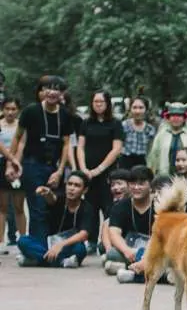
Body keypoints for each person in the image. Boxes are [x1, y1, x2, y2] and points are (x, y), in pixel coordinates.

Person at [8, 75, 73, 239]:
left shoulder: (65, 114)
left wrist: (60, 171)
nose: (52, 92)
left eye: (56, 89)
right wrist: (11, 162)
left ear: (62, 94)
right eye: (48, 88)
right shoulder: (31, 111)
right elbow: (18, 137)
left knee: (55, 205)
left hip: (54, 167)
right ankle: (38, 246)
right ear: (42, 91)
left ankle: (52, 243)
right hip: (33, 165)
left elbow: (66, 144)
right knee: (37, 208)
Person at [15, 170, 93, 268]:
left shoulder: (87, 208)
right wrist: (47, 193)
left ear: (85, 190)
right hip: (49, 244)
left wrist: (61, 245)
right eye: (69, 184)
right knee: (23, 241)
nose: (72, 188)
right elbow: (52, 199)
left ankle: (37, 260)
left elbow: (83, 234)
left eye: (77, 185)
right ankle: (62, 262)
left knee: (80, 249)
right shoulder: (60, 199)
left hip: (68, 245)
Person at [76, 90, 124, 244]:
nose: (98, 105)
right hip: (88, 173)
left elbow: (116, 149)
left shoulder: (115, 123)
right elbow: (80, 147)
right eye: (95, 102)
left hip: (107, 172)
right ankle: (91, 241)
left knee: (108, 206)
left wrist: (99, 169)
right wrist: (83, 169)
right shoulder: (86, 123)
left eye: (101, 102)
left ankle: (108, 241)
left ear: (107, 104)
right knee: (90, 206)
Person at [105, 165, 155, 283]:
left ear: (150, 185)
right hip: (131, 250)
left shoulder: (160, 204)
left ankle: (130, 272)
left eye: (141, 184)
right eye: (133, 183)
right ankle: (149, 270)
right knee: (112, 253)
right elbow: (114, 233)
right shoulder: (120, 206)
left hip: (154, 250)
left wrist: (147, 253)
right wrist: (126, 250)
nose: (136, 187)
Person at [148, 102, 187, 176]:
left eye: (179, 115)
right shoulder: (161, 135)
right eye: (173, 115)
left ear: (184, 118)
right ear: (168, 118)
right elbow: (153, 156)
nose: (176, 118)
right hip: (164, 176)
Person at [0, 97, 25, 246]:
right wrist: (10, 160)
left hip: (18, 164)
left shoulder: (22, 125)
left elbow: (22, 144)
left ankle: (24, 241)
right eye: (7, 109)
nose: (10, 112)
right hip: (1, 162)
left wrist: (15, 163)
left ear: (18, 110)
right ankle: (1, 242)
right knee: (2, 206)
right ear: (2, 110)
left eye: (13, 109)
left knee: (19, 206)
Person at [120, 95, 156, 169]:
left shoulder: (150, 129)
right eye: (134, 107)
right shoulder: (124, 126)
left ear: (146, 110)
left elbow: (151, 151)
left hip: (142, 164)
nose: (137, 111)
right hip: (125, 162)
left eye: (141, 108)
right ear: (130, 109)